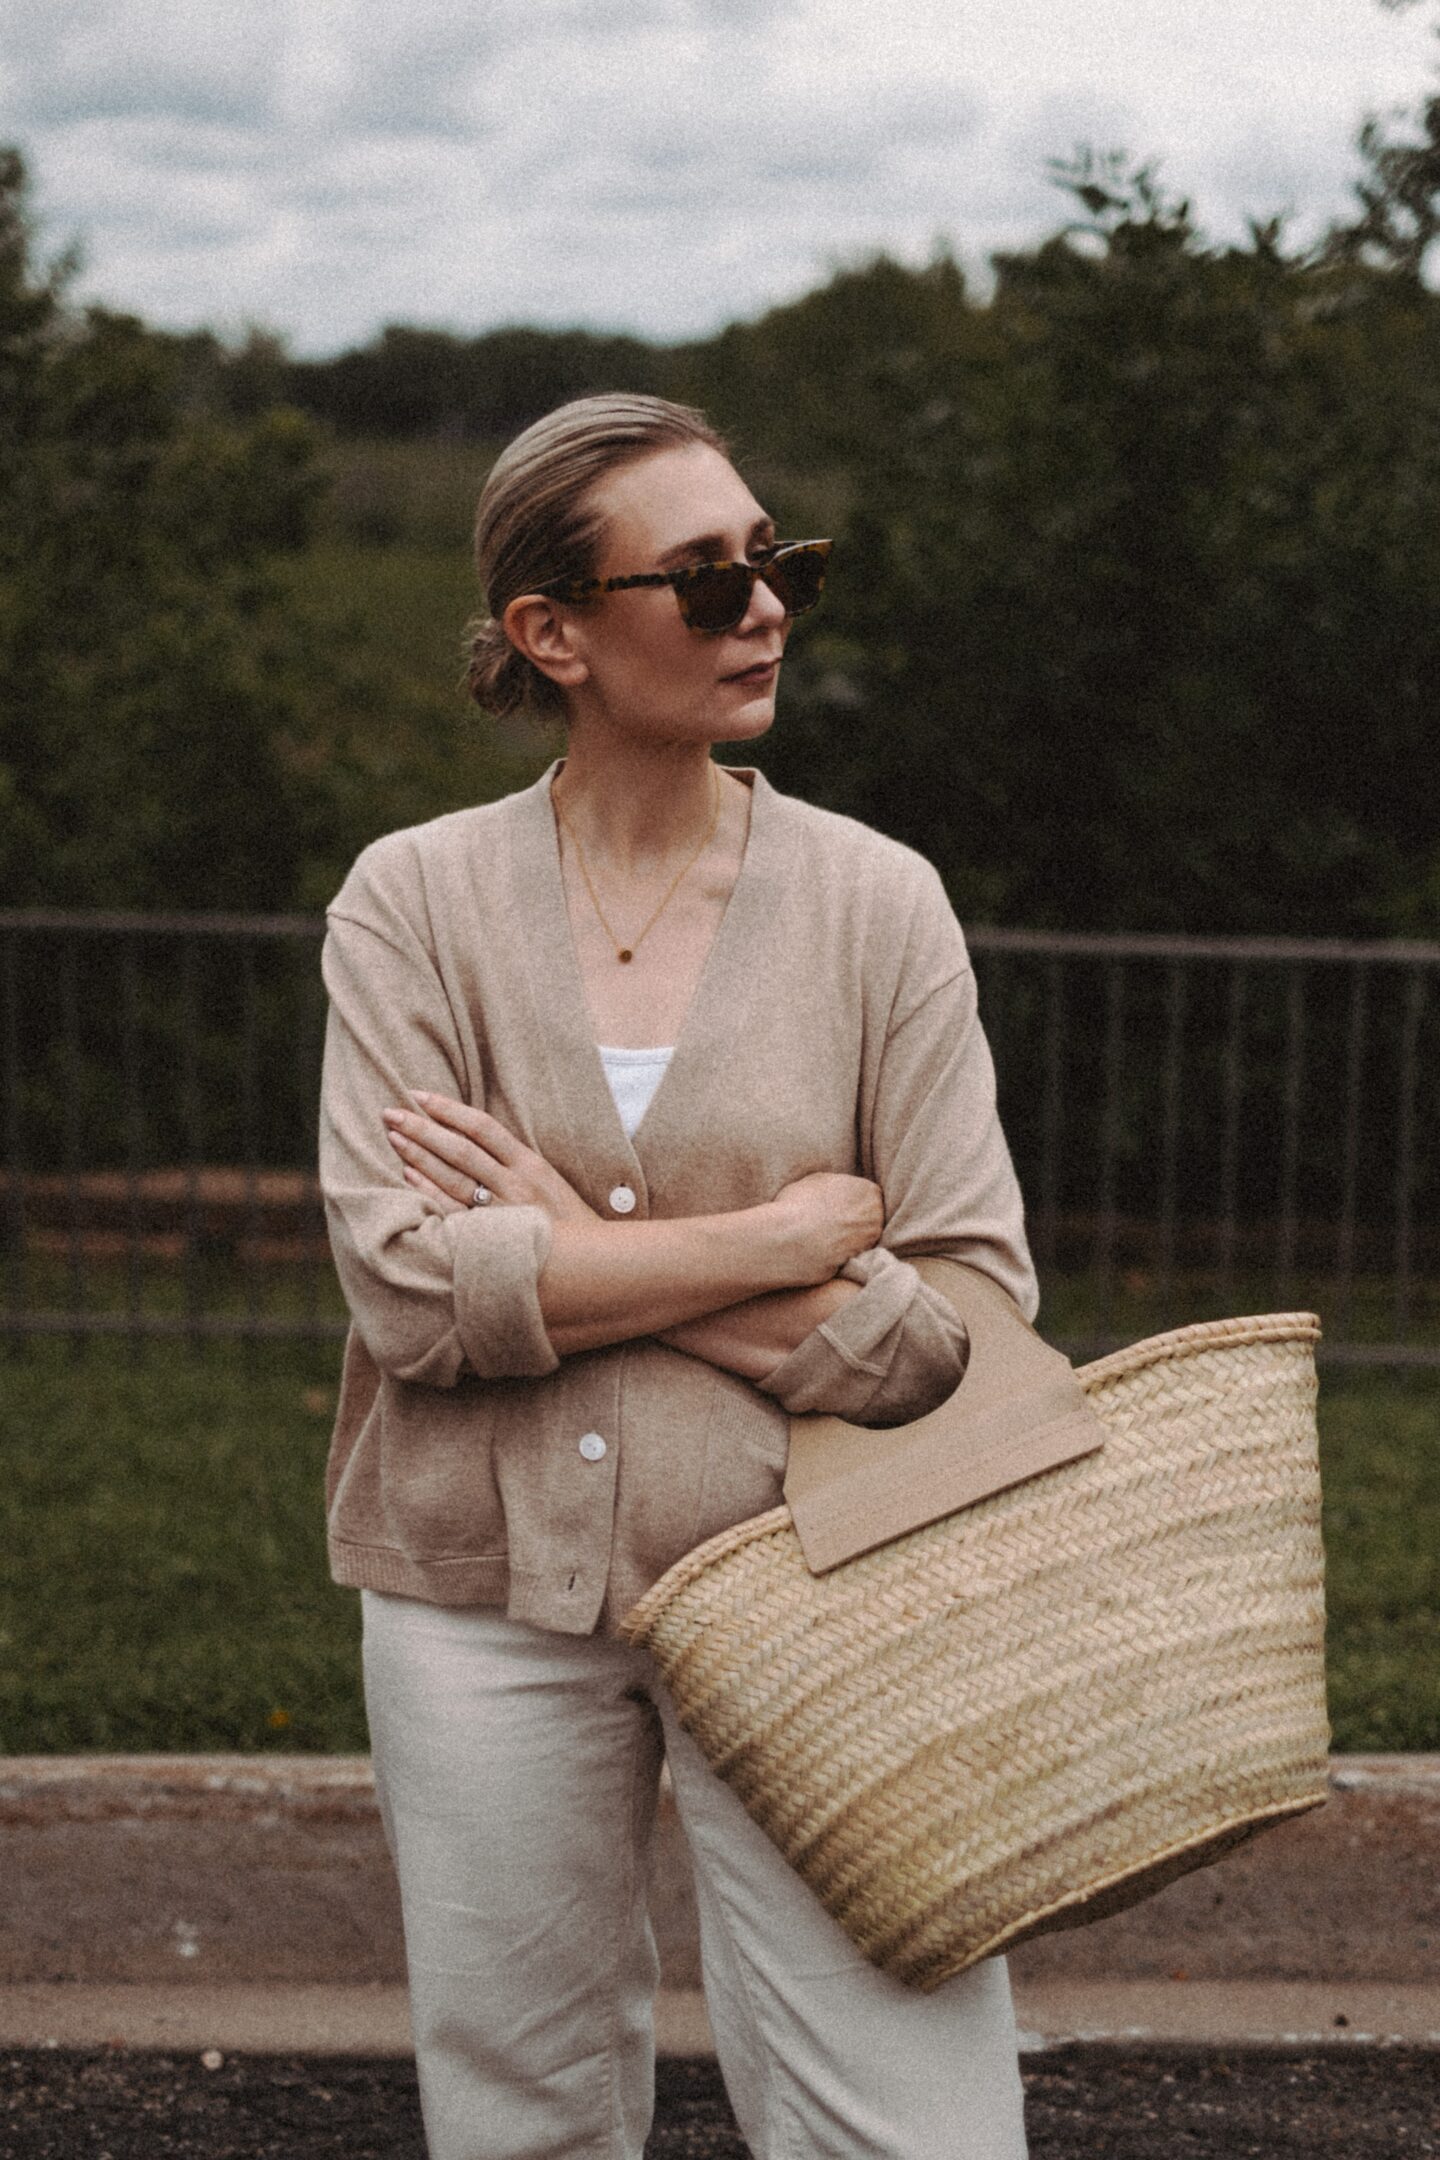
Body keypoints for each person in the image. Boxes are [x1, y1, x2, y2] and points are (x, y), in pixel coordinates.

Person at [319, 392, 1036, 2159]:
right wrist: (782, 1248)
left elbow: (958, 1329)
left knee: (907, 2110)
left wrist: (568, 1238)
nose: (768, 608)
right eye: (708, 582)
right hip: (481, 1594)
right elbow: (413, 1297)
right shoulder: (408, 907)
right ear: (552, 635)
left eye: (776, 563)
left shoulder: (883, 906)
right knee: (522, 2107)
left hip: (827, 1582)